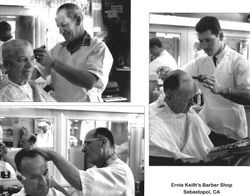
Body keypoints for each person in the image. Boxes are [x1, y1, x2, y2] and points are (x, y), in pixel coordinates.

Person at [182, 16, 250, 146]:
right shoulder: (200, 61)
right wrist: (168, 72)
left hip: (232, 132)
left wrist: (223, 90)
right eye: (201, 41)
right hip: (208, 128)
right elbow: (181, 74)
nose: (204, 46)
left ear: (220, 35)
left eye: (208, 40)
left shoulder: (239, 62)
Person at [33, 3, 113, 102]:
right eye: (58, 26)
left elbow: (89, 81)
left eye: (64, 25)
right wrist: (24, 59)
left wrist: (53, 63)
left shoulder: (98, 48)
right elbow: (33, 73)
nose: (61, 31)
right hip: (61, 114)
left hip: (87, 114)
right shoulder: (57, 49)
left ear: (78, 20)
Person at [39, 127, 135, 196]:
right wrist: (55, 185)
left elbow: (78, 181)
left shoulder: (120, 172)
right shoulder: (98, 169)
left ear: (103, 142)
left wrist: (52, 155)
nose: (83, 150)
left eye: (87, 143)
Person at [149, 70, 214, 165]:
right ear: (170, 96)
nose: (192, 104)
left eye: (193, 97)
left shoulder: (187, 110)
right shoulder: (153, 121)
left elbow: (205, 141)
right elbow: (169, 161)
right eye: (187, 100)